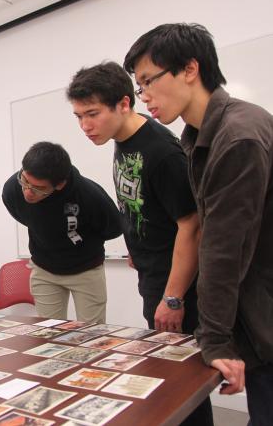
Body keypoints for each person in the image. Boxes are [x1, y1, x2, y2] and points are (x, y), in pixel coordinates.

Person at [124, 23, 273, 425]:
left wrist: (218, 340)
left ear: (190, 69)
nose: (146, 97)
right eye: (140, 87)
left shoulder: (237, 136)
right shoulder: (198, 136)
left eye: (149, 81)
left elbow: (224, 248)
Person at [68, 61, 212, 425]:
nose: (85, 126)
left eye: (93, 114)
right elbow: (140, 203)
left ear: (124, 104)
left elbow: (192, 225)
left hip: (177, 286)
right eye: (79, 116)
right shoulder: (122, 140)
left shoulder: (161, 152)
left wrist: (173, 297)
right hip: (153, 277)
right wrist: (134, 245)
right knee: (170, 379)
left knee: (185, 385)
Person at [2, 141, 121, 323]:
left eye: (38, 188)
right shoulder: (12, 189)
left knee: (93, 335)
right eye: (25, 181)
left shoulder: (88, 194)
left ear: (59, 185)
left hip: (86, 269)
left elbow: (114, 227)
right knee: (47, 334)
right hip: (44, 268)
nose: (27, 192)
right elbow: (24, 217)